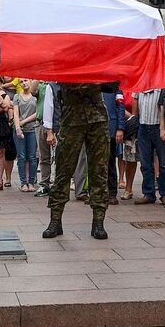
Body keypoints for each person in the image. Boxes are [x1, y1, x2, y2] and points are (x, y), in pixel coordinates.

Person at [42, 83, 115, 240]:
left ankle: (98, 222)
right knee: (63, 172)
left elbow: (112, 85)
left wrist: (97, 79)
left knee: (99, 172)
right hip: (71, 120)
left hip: (97, 119)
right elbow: (59, 81)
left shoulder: (98, 61)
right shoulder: (65, 61)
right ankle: (55, 221)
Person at [133, 86, 165, 205]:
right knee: (145, 163)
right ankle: (148, 193)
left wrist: (163, 127)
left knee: (164, 163)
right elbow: (135, 104)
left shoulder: (161, 86)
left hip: (158, 127)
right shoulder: (140, 85)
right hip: (143, 127)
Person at [12, 78, 39, 192]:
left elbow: (38, 112)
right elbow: (15, 113)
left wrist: (24, 121)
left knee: (32, 157)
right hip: (20, 130)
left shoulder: (36, 96)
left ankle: (31, 182)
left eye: (26, 81)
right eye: (21, 82)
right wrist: (18, 127)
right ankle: (23, 182)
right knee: (21, 157)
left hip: (32, 129)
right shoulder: (17, 97)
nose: (24, 83)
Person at [103, 86, 126, 206]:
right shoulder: (91, 84)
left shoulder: (115, 87)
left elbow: (120, 107)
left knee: (110, 161)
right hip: (94, 129)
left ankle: (112, 193)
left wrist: (120, 128)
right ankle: (96, 193)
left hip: (110, 129)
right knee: (94, 163)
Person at [32, 79, 54, 196]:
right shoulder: (41, 85)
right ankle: (45, 183)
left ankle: (57, 183)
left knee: (59, 156)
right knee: (43, 156)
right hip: (41, 123)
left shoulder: (57, 83)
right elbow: (32, 91)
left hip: (56, 123)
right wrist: (38, 76)